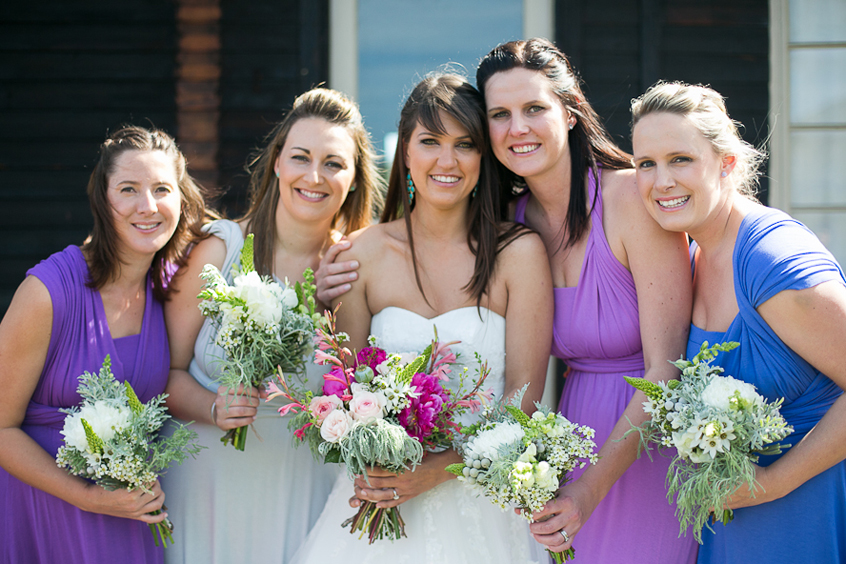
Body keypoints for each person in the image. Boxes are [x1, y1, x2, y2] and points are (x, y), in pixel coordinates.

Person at [291, 72, 552, 564]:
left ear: (484, 157)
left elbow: (523, 402)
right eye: (430, 141)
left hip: (483, 502)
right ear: (406, 151)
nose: (447, 161)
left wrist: (439, 469)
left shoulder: (519, 253)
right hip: (379, 500)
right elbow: (345, 389)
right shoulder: (361, 254)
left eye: (465, 144)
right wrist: (377, 456)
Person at [475, 38, 697, 563]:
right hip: (571, 444)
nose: (517, 127)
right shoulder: (512, 224)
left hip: (650, 445)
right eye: (500, 114)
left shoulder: (631, 199)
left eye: (534, 108)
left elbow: (667, 369)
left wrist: (589, 491)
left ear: (571, 112)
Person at [160, 87, 382, 564]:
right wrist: (213, 407)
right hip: (206, 491)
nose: (314, 176)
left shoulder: (354, 269)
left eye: (334, 164)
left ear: (353, 180)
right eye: (301, 157)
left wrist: (330, 308)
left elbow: (357, 396)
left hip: (302, 495)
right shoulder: (220, 250)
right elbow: (163, 372)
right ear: (278, 162)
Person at [631, 81, 846, 563]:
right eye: (646, 164)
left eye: (680, 159)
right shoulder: (693, 255)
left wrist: (772, 483)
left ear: (726, 163)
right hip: (731, 522)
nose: (661, 181)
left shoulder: (773, 260)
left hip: (804, 515)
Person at [0, 126, 207, 563]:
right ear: (102, 199)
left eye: (162, 189)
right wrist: (88, 497)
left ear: (181, 202)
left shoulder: (170, 291)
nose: (147, 206)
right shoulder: (48, 292)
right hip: (45, 516)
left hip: (128, 522)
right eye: (128, 189)